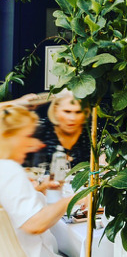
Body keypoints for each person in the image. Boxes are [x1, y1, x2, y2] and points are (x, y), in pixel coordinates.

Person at [0, 103, 75, 257]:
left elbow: (8, 205)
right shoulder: (9, 169)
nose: (35, 145)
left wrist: (40, 189)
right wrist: (73, 199)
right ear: (7, 136)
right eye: (28, 136)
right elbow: (34, 224)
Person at [31, 91, 90, 167]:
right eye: (67, 111)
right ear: (55, 110)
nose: (72, 118)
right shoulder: (40, 129)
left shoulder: (92, 133)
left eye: (78, 112)